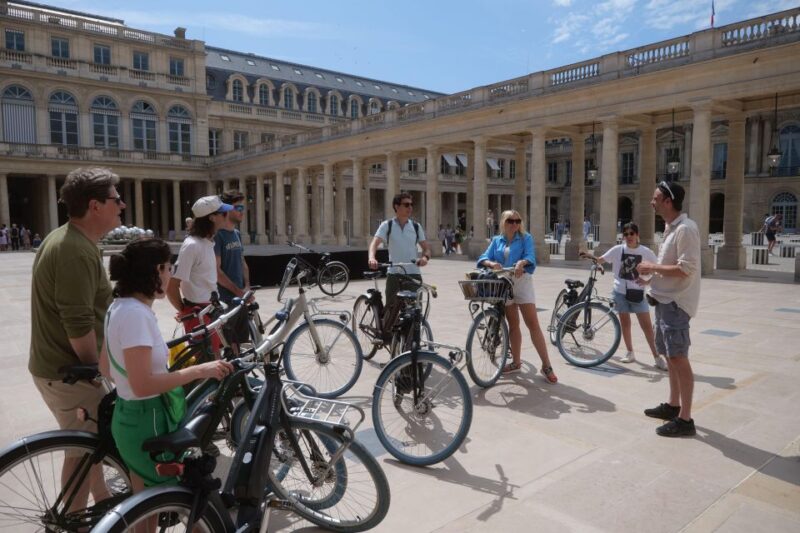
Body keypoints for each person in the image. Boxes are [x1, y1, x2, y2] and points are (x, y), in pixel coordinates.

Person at [102, 238, 232, 491]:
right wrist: (200, 370)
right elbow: (143, 385)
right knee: (188, 497)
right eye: (169, 268)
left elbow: (105, 368)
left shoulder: (118, 307)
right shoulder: (136, 315)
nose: (171, 274)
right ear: (156, 270)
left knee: (146, 505)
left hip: (127, 416)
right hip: (148, 418)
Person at [29, 167, 126, 507]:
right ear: (95, 205)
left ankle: (102, 503)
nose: (122, 205)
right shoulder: (75, 250)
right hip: (69, 371)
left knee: (89, 443)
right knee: (82, 449)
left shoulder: (69, 239)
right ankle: (72, 520)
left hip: (56, 367)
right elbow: (77, 323)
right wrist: (100, 370)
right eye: (116, 199)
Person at [637, 181, 701, 437]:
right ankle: (674, 405)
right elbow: (670, 266)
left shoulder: (686, 229)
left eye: (655, 198)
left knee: (678, 358)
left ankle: (685, 419)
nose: (652, 202)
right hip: (664, 301)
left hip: (676, 303)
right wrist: (649, 279)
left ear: (667, 201)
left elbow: (686, 268)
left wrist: (652, 269)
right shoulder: (671, 228)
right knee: (669, 356)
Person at [477, 210, 558, 383]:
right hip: (504, 282)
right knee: (513, 324)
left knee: (533, 324)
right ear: (503, 223)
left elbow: (530, 256)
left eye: (517, 220)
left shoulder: (525, 238)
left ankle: (546, 365)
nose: (514, 224)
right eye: (510, 221)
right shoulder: (497, 240)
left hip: (522, 281)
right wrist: (492, 264)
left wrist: (522, 262)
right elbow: (483, 257)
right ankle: (516, 362)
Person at [581, 223, 668, 371]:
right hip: (620, 292)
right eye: (625, 234)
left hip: (638, 293)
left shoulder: (646, 252)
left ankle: (657, 357)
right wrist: (588, 255)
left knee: (646, 326)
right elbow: (601, 259)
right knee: (625, 324)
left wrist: (647, 281)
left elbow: (660, 271)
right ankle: (630, 352)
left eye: (631, 233)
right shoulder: (618, 249)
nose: (628, 237)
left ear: (637, 235)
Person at [166, 195, 233, 355]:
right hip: (199, 314)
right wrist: (185, 311)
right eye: (223, 213)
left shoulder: (207, 242)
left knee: (215, 358)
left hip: (210, 311)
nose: (227, 215)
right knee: (207, 363)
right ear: (212, 218)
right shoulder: (192, 245)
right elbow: (172, 285)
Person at [368, 192, 431, 307]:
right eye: (406, 205)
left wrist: (425, 258)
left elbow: (426, 249)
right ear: (397, 207)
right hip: (394, 275)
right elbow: (374, 243)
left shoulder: (416, 227)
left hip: (413, 275)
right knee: (391, 312)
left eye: (411, 205)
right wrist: (372, 257)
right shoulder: (387, 225)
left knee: (414, 313)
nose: (410, 208)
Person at [214, 190, 251, 352]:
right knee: (228, 345)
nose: (242, 212)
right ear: (227, 209)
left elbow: (242, 261)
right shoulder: (218, 235)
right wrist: (238, 292)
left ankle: (240, 376)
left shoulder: (236, 234)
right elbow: (217, 272)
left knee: (241, 343)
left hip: (240, 298)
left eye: (243, 208)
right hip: (226, 300)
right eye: (239, 208)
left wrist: (247, 287)